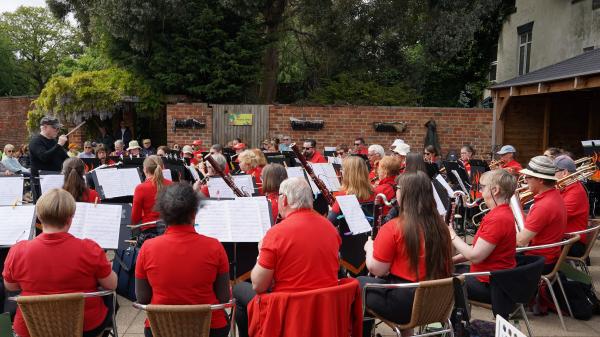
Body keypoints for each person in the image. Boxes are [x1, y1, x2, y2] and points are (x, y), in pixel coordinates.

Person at [232, 177, 341, 337]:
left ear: (284, 200)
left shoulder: (276, 233)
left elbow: (258, 285)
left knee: (239, 288)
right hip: (323, 307)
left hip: (287, 309)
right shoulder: (331, 228)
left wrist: (261, 253)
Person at [2, 188, 117, 337]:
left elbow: (10, 285)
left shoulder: (18, 250)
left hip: (32, 327)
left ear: (39, 217)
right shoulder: (89, 248)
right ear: (70, 219)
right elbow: (111, 285)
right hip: (84, 326)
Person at [359, 171, 452, 336]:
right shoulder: (441, 227)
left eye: (398, 188)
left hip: (406, 305)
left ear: (405, 194)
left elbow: (377, 269)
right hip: (437, 302)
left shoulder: (394, 227)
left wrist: (369, 249)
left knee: (357, 284)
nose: (396, 191)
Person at [136, 183, 230, 337]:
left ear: (163, 215)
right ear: (194, 214)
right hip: (209, 329)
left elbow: (142, 298)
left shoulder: (147, 248)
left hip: (160, 328)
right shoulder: (214, 246)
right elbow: (224, 297)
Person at [449, 170, 517, 303]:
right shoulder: (500, 213)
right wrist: (451, 260)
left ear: (495, 190)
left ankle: (451, 320)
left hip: (491, 285)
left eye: (482, 187)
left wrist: (452, 234)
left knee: (438, 280)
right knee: (446, 270)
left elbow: (475, 256)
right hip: (492, 279)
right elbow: (477, 248)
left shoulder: (498, 218)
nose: (480, 191)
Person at [517, 156, 567, 274]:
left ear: (540, 180)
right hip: (548, 257)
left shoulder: (544, 206)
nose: (525, 180)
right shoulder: (554, 195)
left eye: (528, 177)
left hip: (538, 260)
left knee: (494, 259)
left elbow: (521, 241)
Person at [554, 155, 589, 257]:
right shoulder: (563, 188)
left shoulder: (575, 191)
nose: (549, 176)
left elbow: (557, 217)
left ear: (564, 173)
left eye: (553, 172)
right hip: (563, 239)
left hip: (572, 243)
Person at [131, 156, 173, 240]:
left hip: (149, 232)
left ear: (145, 170)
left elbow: (135, 218)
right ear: (163, 168)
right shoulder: (172, 185)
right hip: (170, 230)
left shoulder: (141, 188)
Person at [29, 116, 69, 199]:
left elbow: (65, 158)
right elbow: (44, 157)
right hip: (41, 182)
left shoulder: (53, 141)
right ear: (44, 127)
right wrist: (59, 145)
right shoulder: (36, 141)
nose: (57, 130)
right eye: (55, 127)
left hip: (56, 180)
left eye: (58, 128)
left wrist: (76, 161)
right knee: (43, 209)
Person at [328, 156, 374, 222]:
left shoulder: (344, 195)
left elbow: (331, 220)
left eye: (342, 169)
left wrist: (330, 210)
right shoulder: (374, 191)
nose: (341, 171)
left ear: (349, 174)